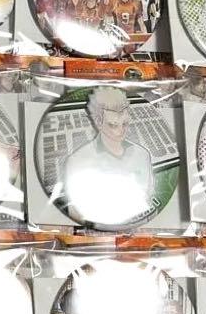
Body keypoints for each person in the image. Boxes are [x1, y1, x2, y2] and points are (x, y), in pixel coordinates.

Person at [62, 86, 153, 224]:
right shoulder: (77, 161)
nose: (121, 130)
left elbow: (148, 199)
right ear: (98, 122)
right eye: (113, 125)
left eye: (125, 123)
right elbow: (76, 216)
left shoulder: (143, 154)